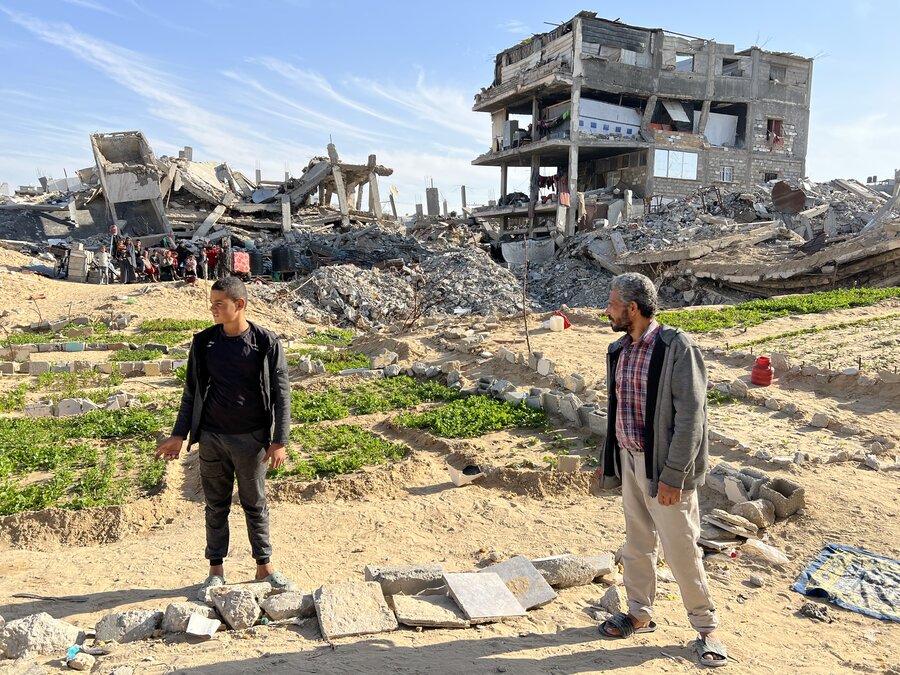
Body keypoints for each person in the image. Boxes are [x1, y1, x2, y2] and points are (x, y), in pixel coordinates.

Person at [598, 273, 727, 668]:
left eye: (612, 304)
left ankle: (706, 629)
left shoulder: (676, 348)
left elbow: (692, 417)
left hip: (665, 470)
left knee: (681, 549)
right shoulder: (619, 349)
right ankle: (639, 613)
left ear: (632, 308)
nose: (607, 311)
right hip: (631, 461)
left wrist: (673, 475)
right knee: (637, 545)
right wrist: (615, 463)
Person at [155, 276, 294, 599]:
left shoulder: (265, 343)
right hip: (213, 439)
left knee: (254, 504)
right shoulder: (204, 343)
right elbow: (191, 393)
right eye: (212, 303)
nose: (213, 309)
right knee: (215, 506)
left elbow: (282, 395)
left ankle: (264, 567)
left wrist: (279, 441)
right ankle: (215, 570)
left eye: (220, 304)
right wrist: (179, 434)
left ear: (239, 304)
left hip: (252, 441)